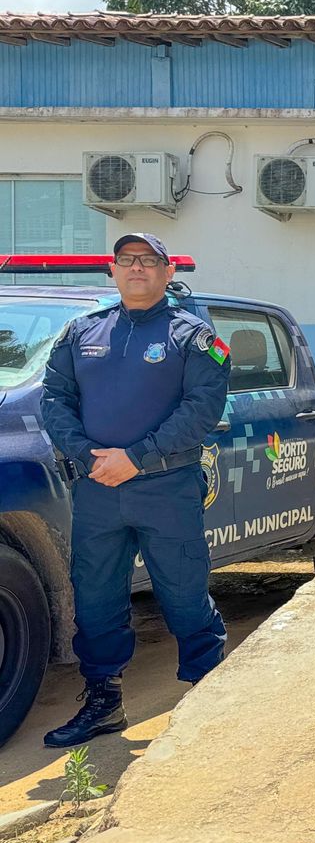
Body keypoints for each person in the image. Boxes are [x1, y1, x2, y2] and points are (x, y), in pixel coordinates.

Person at [38, 233, 230, 747]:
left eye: (149, 260)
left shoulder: (193, 336)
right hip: (97, 487)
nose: (137, 268)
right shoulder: (82, 333)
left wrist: (136, 458)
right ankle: (103, 703)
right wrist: (87, 455)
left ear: (168, 273)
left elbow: (202, 410)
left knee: (184, 594)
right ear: (112, 271)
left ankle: (205, 703)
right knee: (96, 598)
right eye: (127, 260)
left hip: (167, 488)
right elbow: (54, 398)